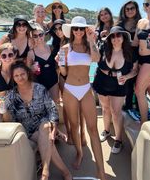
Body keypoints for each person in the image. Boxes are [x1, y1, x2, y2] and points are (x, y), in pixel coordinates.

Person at [0, 61, 72, 180]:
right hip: (28, 130)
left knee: (46, 127)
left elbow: (52, 109)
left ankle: (45, 173)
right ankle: (65, 172)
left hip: (44, 123)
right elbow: (8, 121)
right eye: (16, 76)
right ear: (13, 78)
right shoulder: (11, 96)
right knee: (47, 140)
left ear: (27, 73)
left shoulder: (39, 89)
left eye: (22, 74)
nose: (20, 77)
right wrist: (4, 110)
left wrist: (54, 130)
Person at [58, 16, 106, 180]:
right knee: (74, 126)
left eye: (81, 28)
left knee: (93, 129)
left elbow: (97, 59)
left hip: (86, 89)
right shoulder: (65, 48)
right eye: (75, 29)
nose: (78, 31)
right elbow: (64, 73)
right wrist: (61, 64)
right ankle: (79, 153)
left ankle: (101, 170)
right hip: (70, 90)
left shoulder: (89, 46)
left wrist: (92, 39)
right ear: (71, 30)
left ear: (85, 30)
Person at [93, 26, 138, 153]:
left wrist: (127, 77)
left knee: (116, 112)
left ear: (123, 37)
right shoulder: (103, 48)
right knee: (105, 108)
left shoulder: (130, 53)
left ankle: (118, 140)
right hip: (102, 82)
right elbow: (95, 60)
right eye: (112, 36)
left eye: (118, 35)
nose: (115, 38)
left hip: (119, 85)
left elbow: (135, 70)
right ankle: (106, 131)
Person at [116, 0, 141, 110]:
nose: (130, 10)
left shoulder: (142, 23)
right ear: (124, 11)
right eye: (127, 9)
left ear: (136, 10)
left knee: (140, 85)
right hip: (126, 56)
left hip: (141, 56)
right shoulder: (120, 25)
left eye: (132, 8)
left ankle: (140, 109)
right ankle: (129, 107)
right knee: (128, 84)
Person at [27, 23, 59, 102]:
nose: (38, 37)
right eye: (35, 36)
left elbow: (57, 66)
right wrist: (31, 69)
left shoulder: (51, 48)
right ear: (32, 37)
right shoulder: (31, 52)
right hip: (38, 84)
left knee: (54, 106)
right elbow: (27, 71)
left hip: (53, 82)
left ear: (44, 35)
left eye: (40, 34)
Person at [0, 43, 17, 122]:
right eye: (3, 56)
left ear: (14, 56)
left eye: (10, 55)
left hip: (11, 104)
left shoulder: (16, 70)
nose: (7, 58)